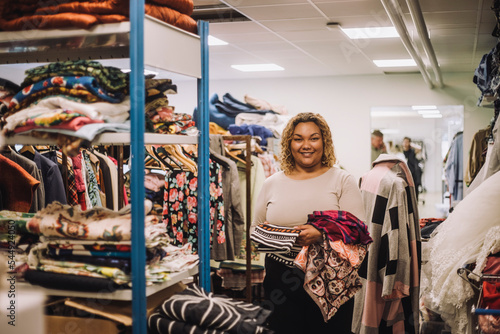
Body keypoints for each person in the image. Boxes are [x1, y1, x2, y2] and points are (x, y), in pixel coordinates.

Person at [251, 112, 366, 334]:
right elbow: (255, 233)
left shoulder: (342, 180)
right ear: (289, 143)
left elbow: (359, 233)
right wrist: (289, 238)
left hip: (331, 278)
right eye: (298, 138)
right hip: (281, 277)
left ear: (324, 141)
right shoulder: (272, 183)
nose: (306, 145)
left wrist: (320, 235)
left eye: (313, 138)